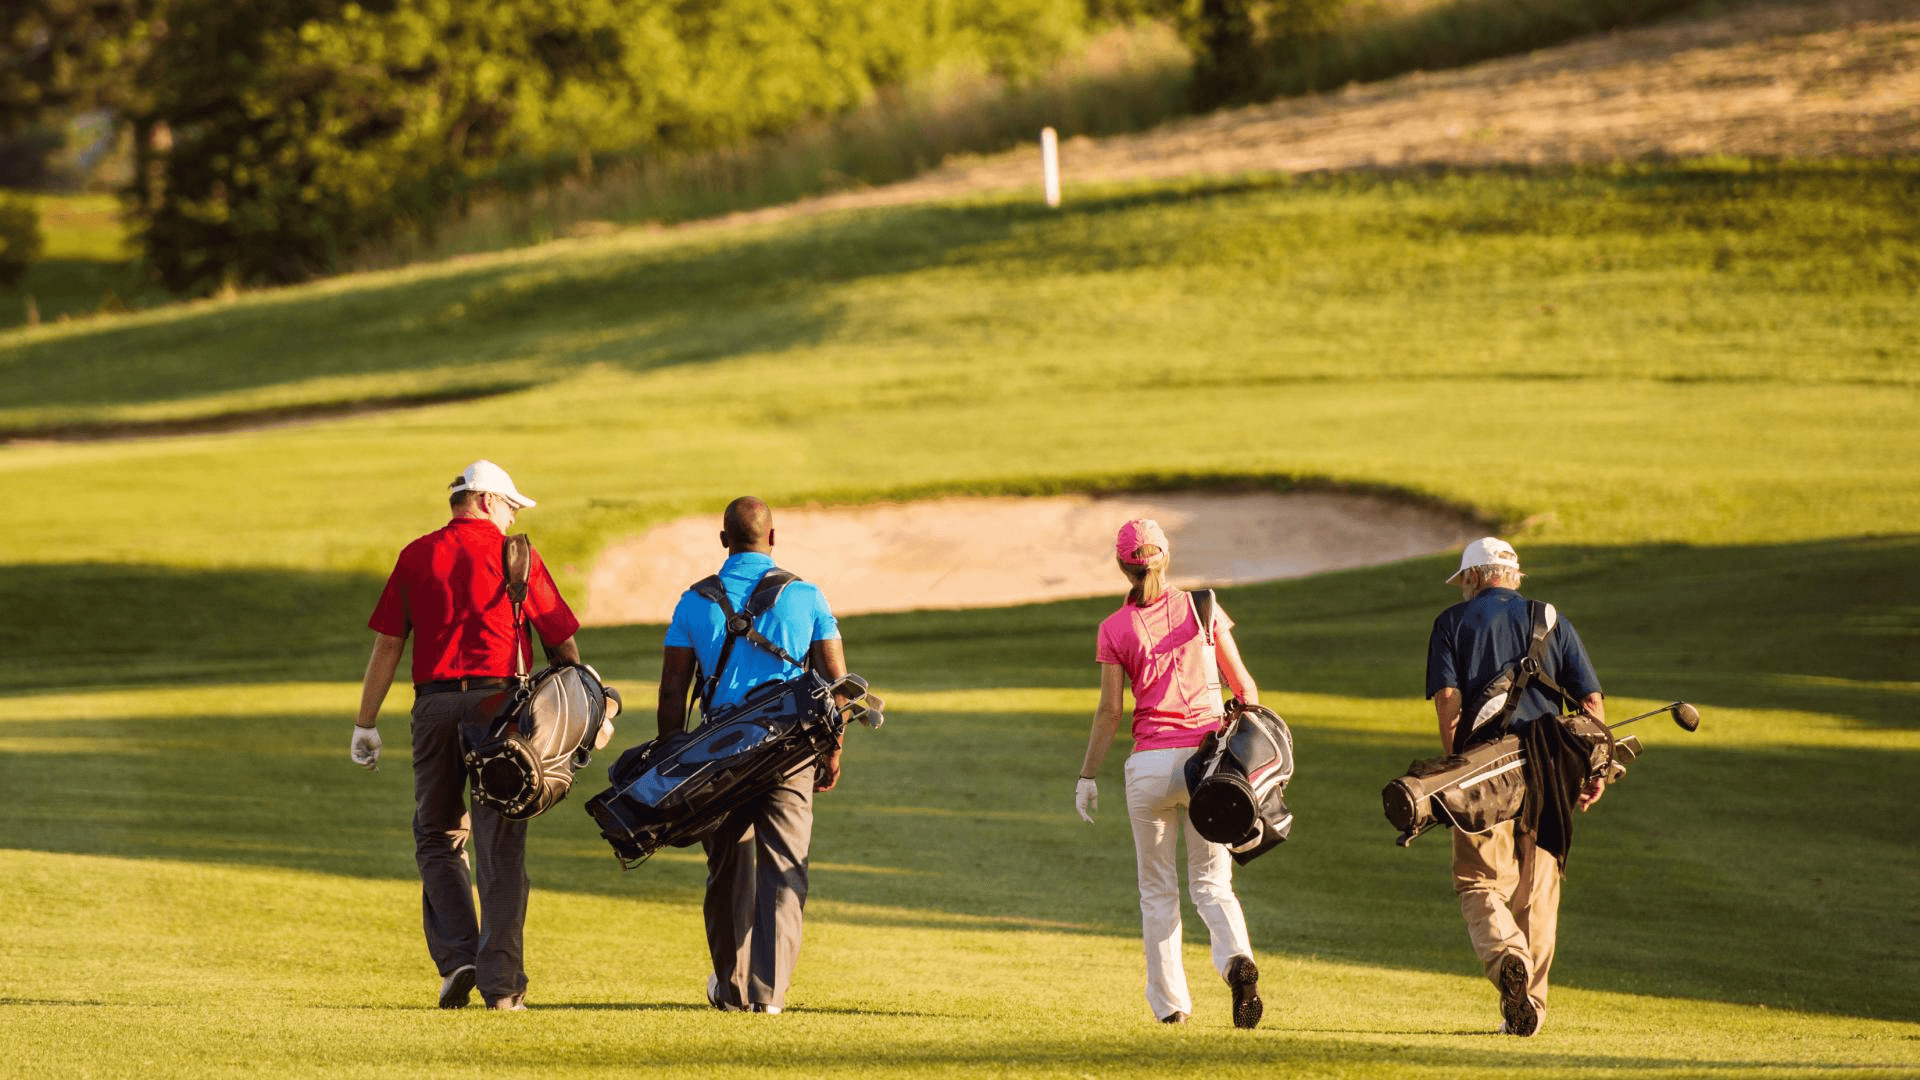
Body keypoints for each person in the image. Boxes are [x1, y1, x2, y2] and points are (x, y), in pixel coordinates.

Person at [351, 460, 589, 1011]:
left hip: (433, 707)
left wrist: (366, 722)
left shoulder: (416, 554)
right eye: (509, 506)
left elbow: (388, 646)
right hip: (501, 710)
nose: (510, 517)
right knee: (499, 847)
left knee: (436, 834)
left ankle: (458, 957)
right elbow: (561, 642)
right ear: (485, 501)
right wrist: (583, 708)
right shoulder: (516, 556)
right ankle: (502, 988)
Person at [656, 496, 847, 1015]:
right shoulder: (806, 595)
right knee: (785, 869)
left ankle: (731, 987)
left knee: (727, 872)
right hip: (791, 752)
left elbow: (673, 689)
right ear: (773, 537)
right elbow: (837, 684)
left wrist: (670, 759)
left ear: (724, 540)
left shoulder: (694, 601)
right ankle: (769, 996)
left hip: (718, 757)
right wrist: (832, 751)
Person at [1075, 518, 1265, 1029]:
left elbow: (1110, 712)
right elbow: (1244, 688)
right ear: (1166, 555)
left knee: (1157, 894)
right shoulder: (1202, 607)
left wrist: (1087, 776)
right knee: (1212, 884)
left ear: (1123, 567)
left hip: (1148, 770)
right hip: (1206, 765)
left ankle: (1171, 1009)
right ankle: (1235, 962)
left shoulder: (1114, 628)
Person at [1426, 536, 1606, 1037]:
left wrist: (1452, 767)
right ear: (1512, 576)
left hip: (1484, 774)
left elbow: (1448, 699)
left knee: (1479, 882)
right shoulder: (1550, 617)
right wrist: (1594, 770)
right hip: (1550, 771)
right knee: (1537, 893)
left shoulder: (1452, 622)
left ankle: (1508, 959)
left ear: (1473, 577)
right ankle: (1529, 1013)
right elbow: (1590, 702)